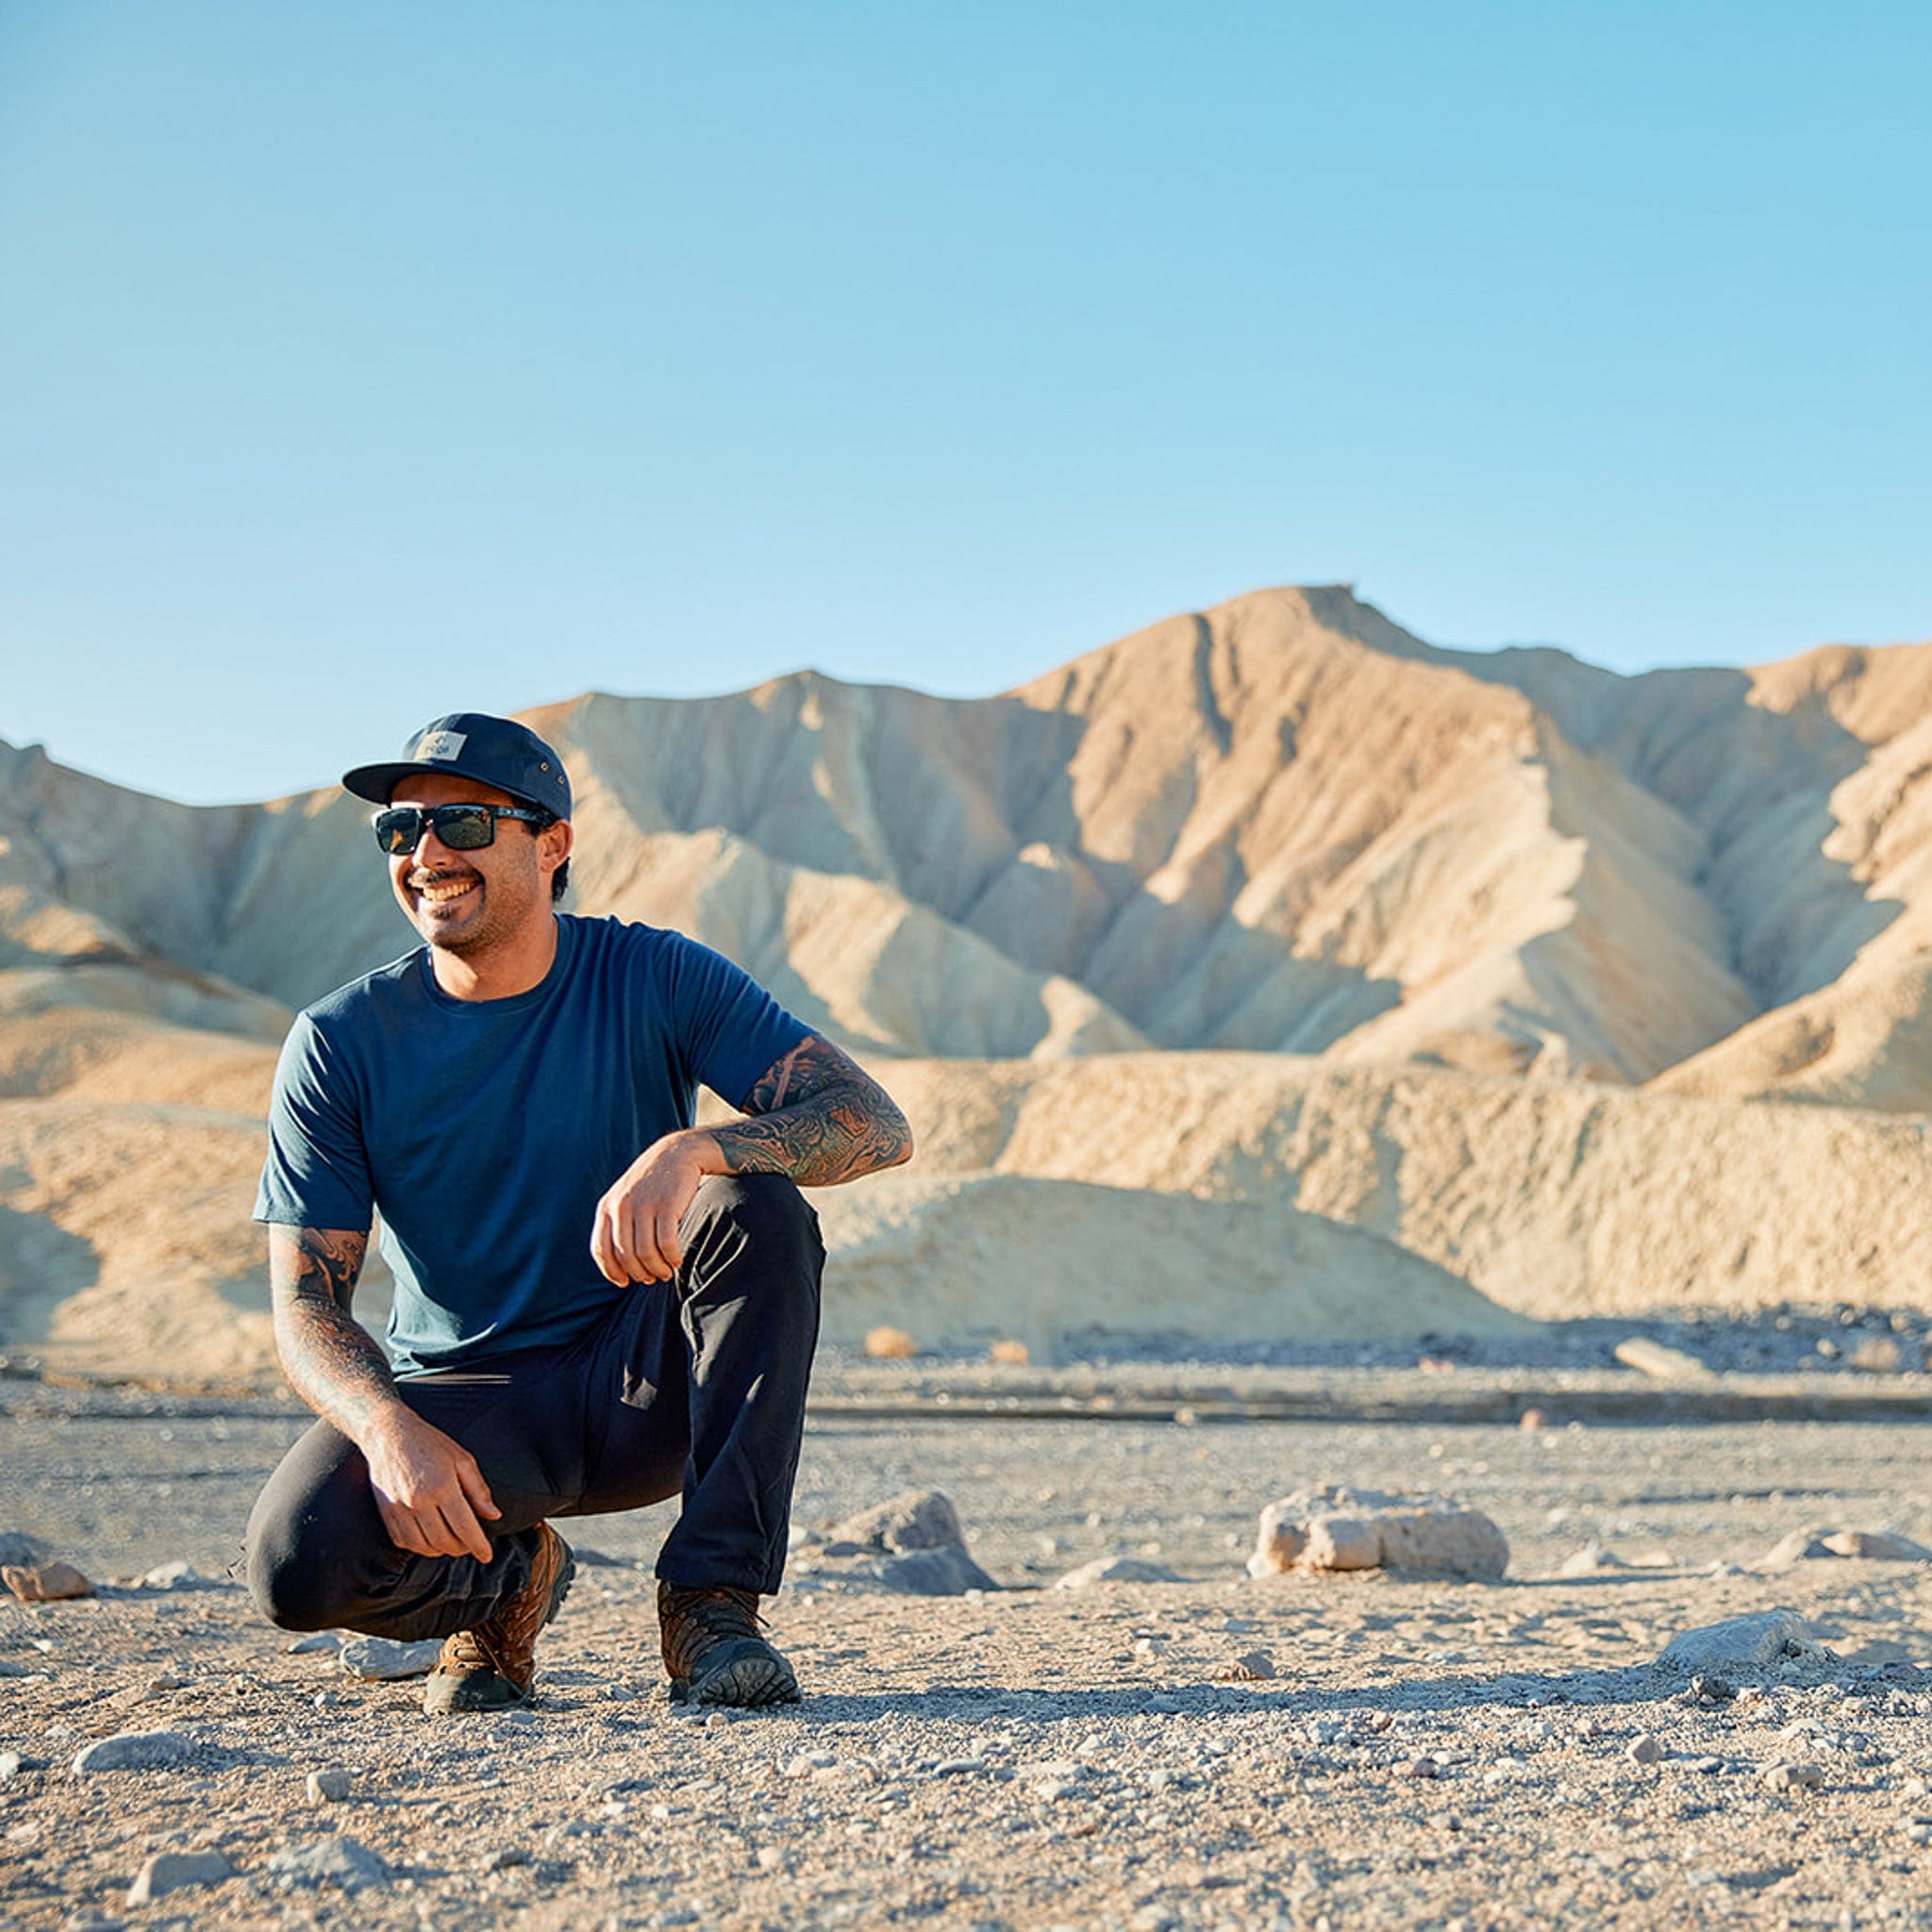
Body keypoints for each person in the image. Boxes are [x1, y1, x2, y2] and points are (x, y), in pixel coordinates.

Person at [244, 712, 913, 1714]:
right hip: (468, 1409)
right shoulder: (341, 1041)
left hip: (645, 1382)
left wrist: (698, 1146)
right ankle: (512, 1582)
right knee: (297, 1562)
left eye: (463, 823)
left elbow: (873, 1120)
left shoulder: (654, 975)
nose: (426, 854)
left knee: (753, 1202)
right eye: (400, 830)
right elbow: (306, 1307)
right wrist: (387, 1427)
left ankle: (710, 1604)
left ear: (551, 843)